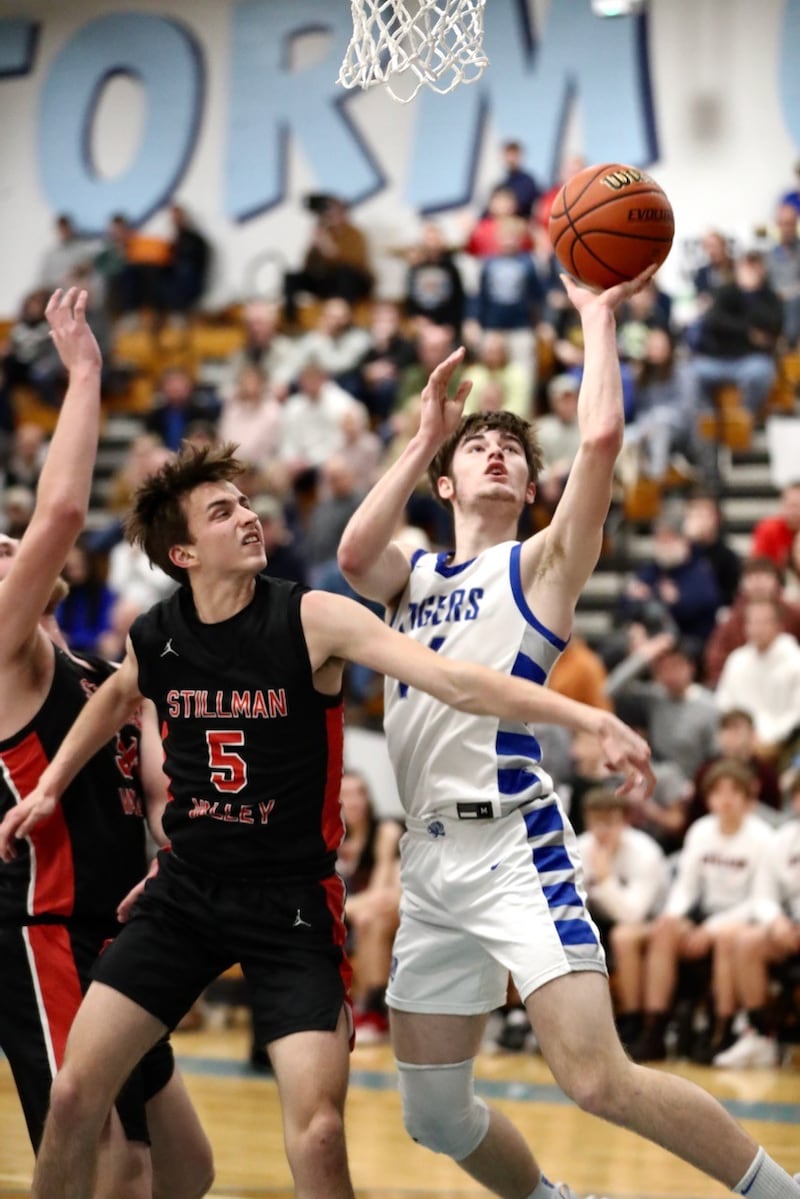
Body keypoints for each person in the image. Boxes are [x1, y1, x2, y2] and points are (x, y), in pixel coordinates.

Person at [0, 439, 655, 1199]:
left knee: (317, 1133)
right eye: (222, 512)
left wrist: (586, 717)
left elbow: (455, 680)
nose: (248, 517)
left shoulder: (312, 618)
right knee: (74, 1096)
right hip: (185, 894)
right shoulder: (159, 633)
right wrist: (49, 785)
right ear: (184, 553)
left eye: (246, 503)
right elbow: (118, 695)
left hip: (292, 906)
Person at [336, 268, 800, 1199]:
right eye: (479, 447)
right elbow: (351, 555)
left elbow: (601, 438)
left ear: (530, 485)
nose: (497, 455)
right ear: (444, 481)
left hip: (514, 843)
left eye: (513, 449)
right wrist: (424, 435)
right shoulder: (411, 577)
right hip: (429, 859)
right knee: (434, 1115)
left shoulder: (541, 565)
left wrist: (596, 317)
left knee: (597, 1079)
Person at [0, 289, 213, 1198]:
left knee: (188, 1169)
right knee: (114, 1166)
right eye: (1, 553)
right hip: (41, 930)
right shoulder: (2, 658)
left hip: (118, 931)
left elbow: (158, 790)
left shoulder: (95, 673)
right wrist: (85, 373)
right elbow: (58, 515)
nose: (14, 551)